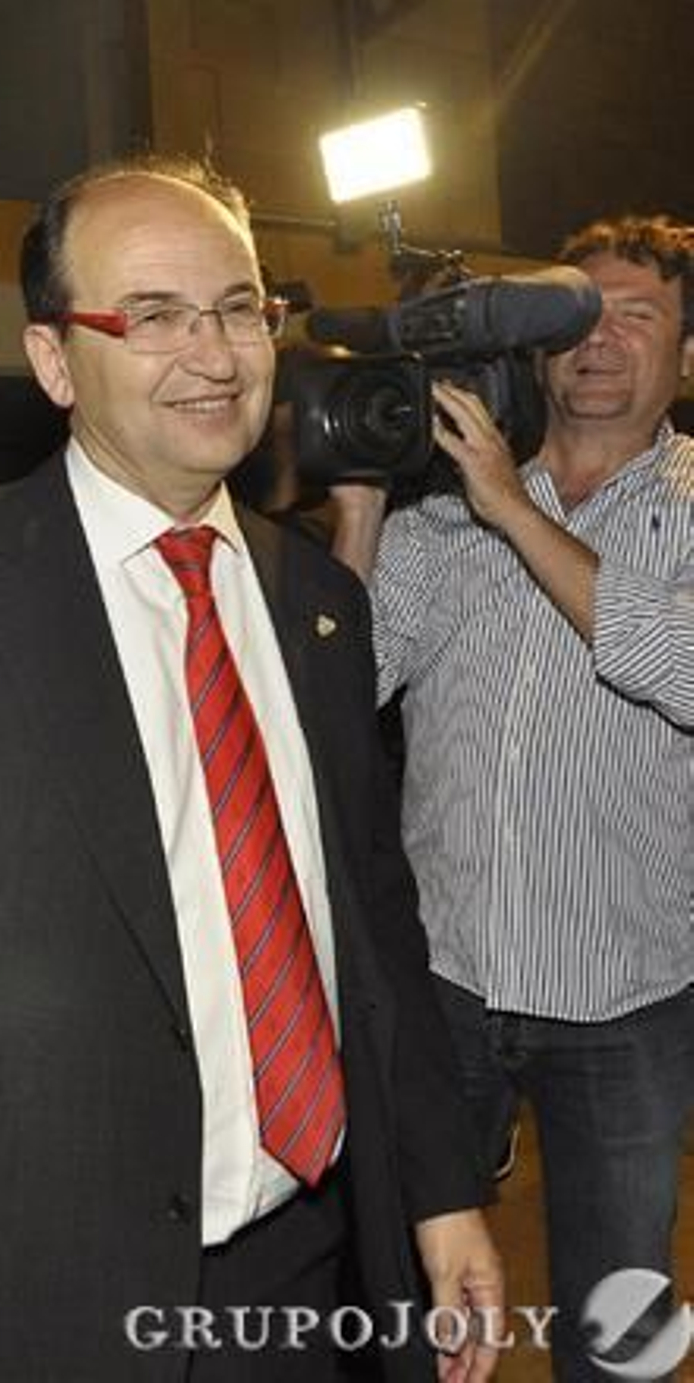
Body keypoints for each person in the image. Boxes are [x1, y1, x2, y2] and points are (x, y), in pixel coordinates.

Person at [0, 155, 502, 1382]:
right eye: (152, 315)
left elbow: (373, 934)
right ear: (51, 360)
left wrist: (439, 1193)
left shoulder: (320, 610)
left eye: (238, 306)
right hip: (20, 1304)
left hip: (298, 1289)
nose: (215, 352)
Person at [330, 213, 694, 1381]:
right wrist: (363, 498)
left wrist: (514, 510)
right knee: (405, 1287)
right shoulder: (447, 510)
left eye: (634, 316)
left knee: (615, 1321)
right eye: (573, 314)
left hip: (624, 993)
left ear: (686, 359)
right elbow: (340, 688)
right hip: (441, 978)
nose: (597, 339)